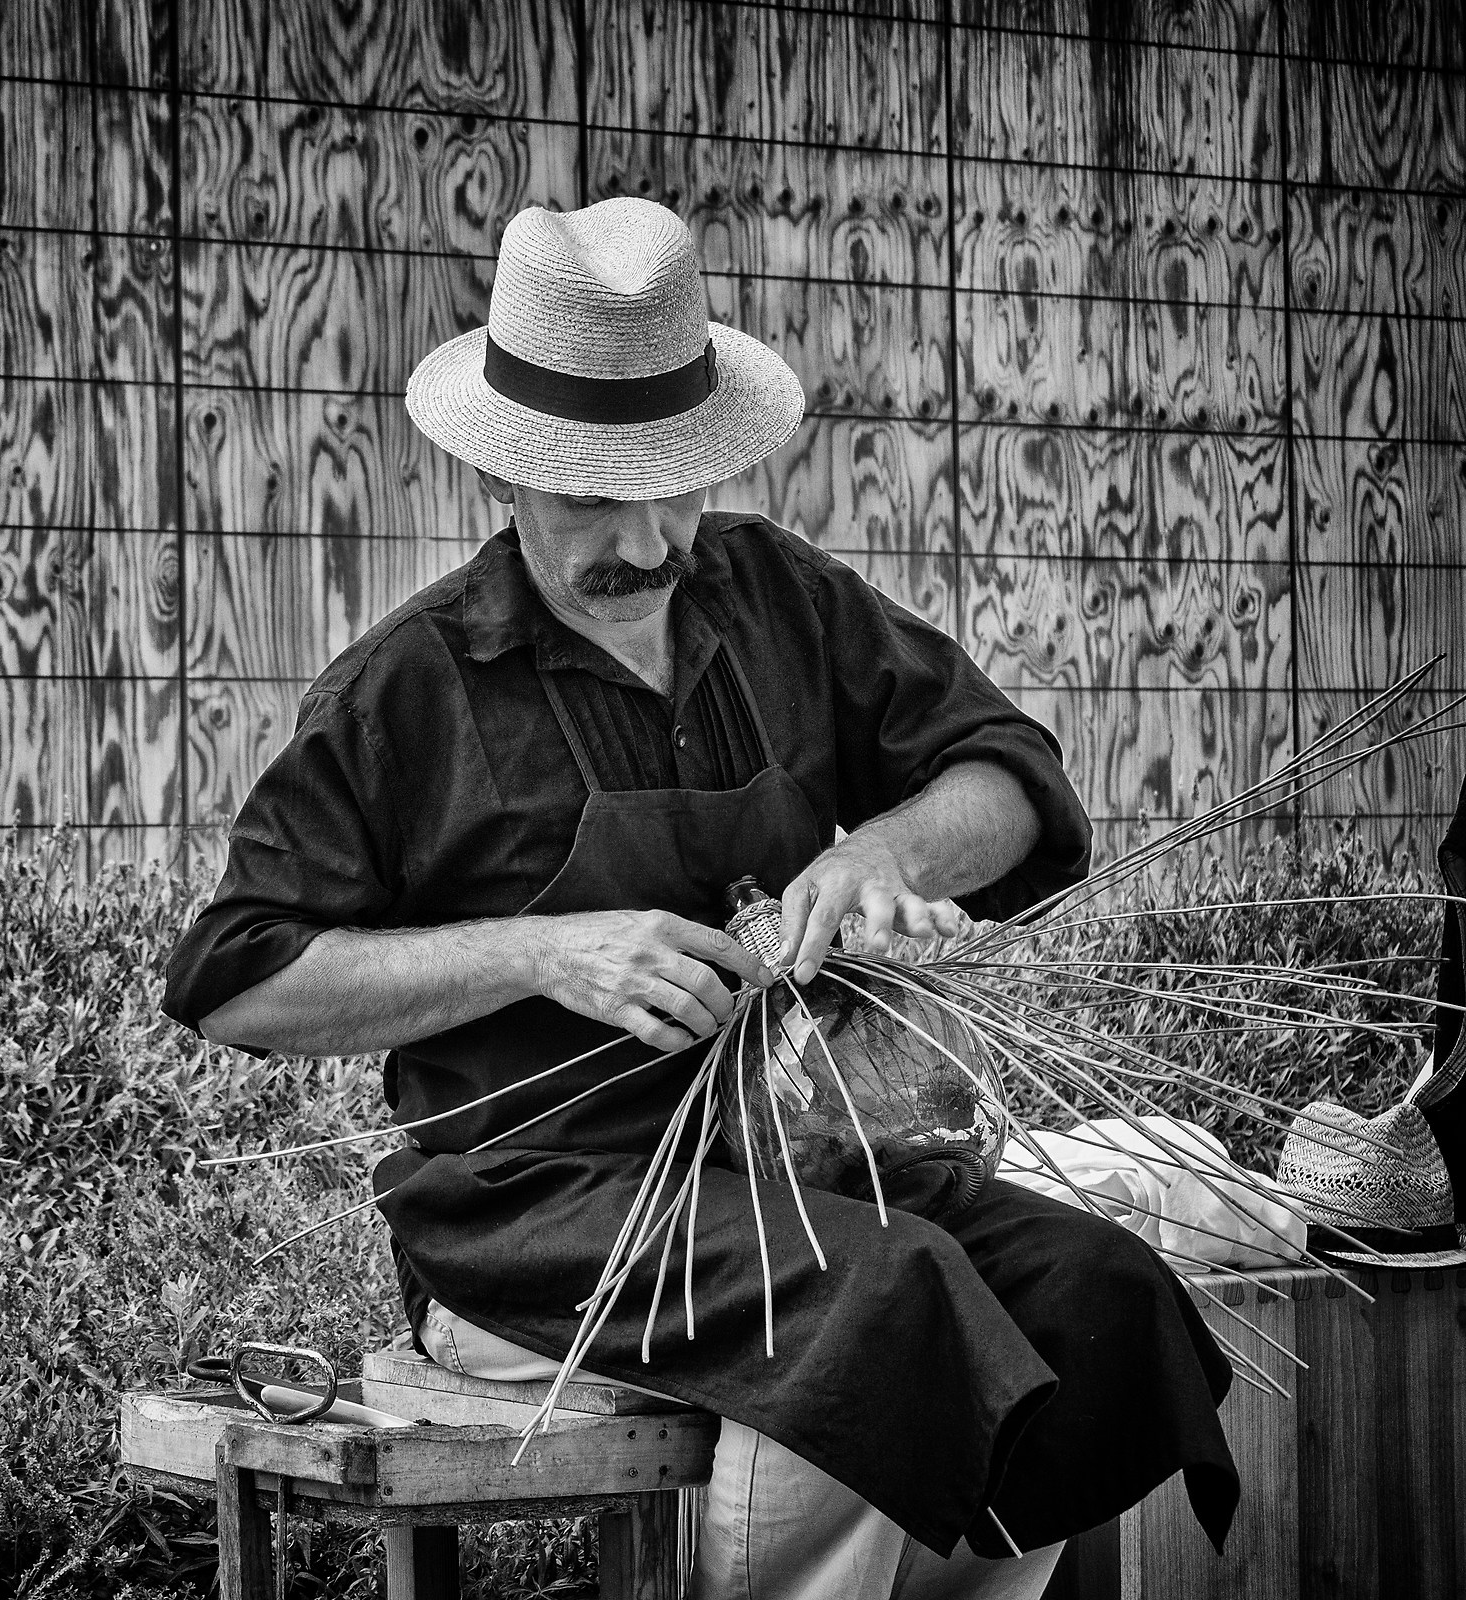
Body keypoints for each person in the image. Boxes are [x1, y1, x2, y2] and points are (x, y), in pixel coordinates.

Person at [160, 198, 1237, 1600]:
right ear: (500, 477)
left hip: (807, 1158)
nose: (649, 536)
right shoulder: (406, 691)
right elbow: (239, 975)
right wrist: (544, 952)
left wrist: (879, 863)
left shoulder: (778, 599)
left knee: (1096, 1295)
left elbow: (1014, 785)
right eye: (592, 496)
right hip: (539, 1210)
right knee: (879, 1303)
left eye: (674, 485)